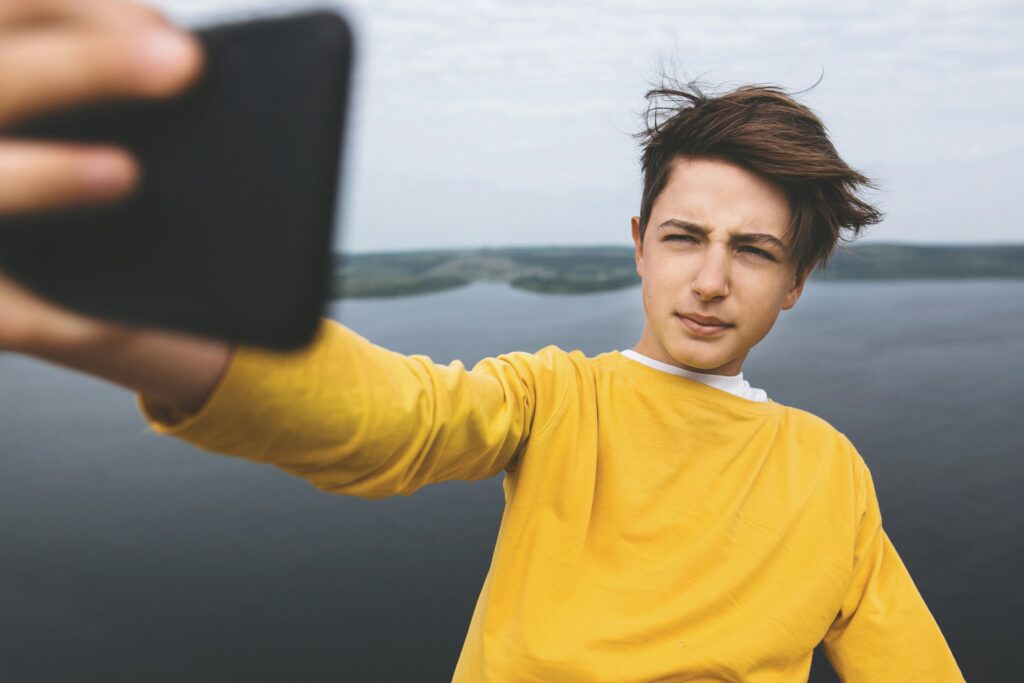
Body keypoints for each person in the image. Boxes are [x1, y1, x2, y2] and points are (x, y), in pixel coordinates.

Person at [0, 1, 965, 681]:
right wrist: (152, 312)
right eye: (685, 236)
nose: (711, 279)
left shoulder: (830, 472)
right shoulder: (555, 399)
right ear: (639, 246)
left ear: (795, 281)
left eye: (753, 251)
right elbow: (393, 418)